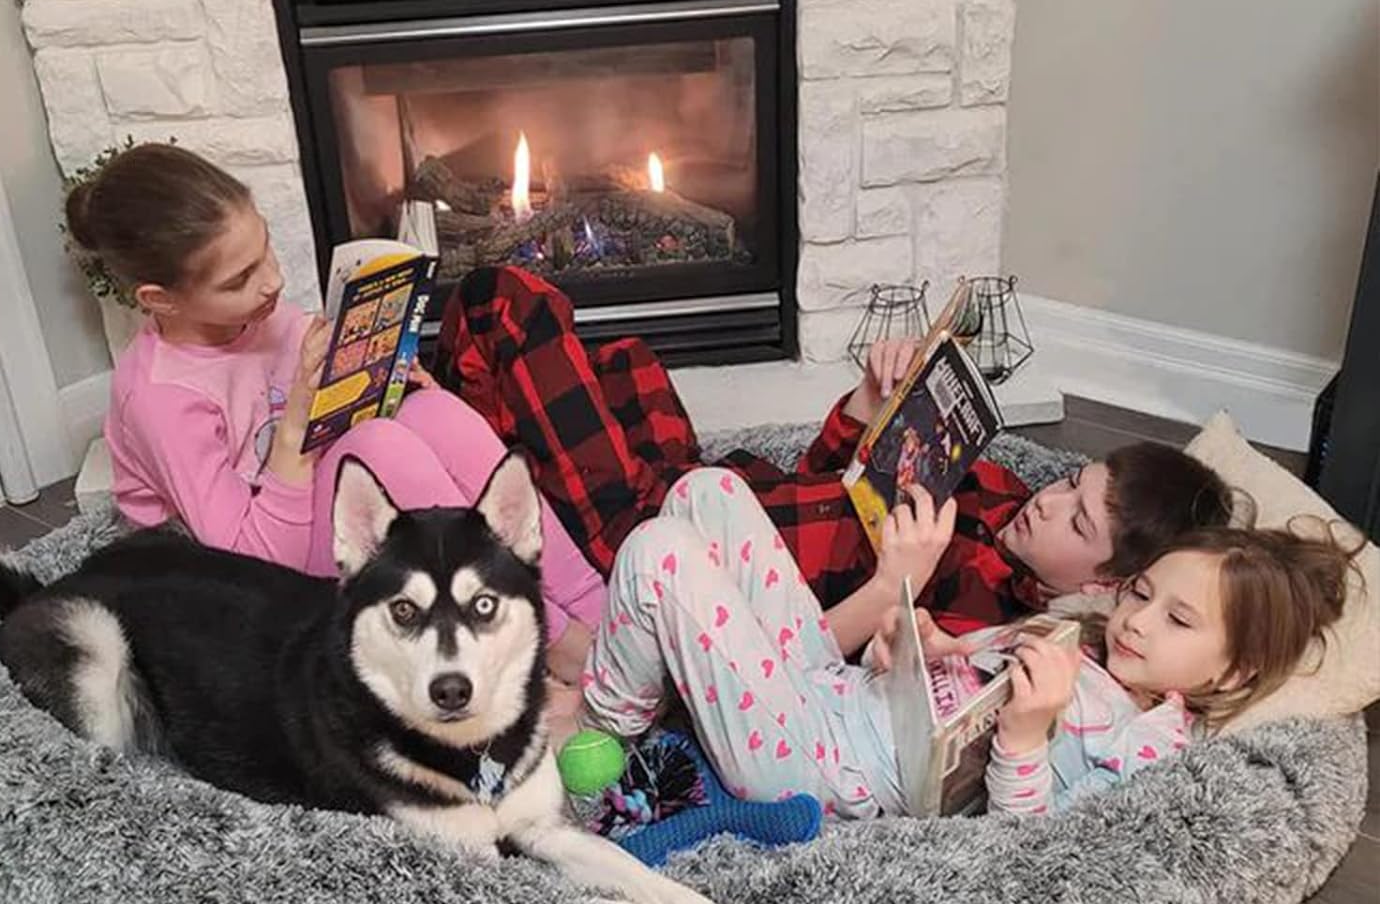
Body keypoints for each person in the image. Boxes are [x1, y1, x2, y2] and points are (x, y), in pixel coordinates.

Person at [431, 266, 1234, 644]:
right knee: (626, 362)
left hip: (652, 546)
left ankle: (452, 451)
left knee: (504, 301)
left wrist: (899, 585)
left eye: (1079, 520)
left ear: (1099, 584)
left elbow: (814, 662)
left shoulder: (983, 614)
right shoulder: (990, 484)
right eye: (1068, 479)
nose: (1047, 498)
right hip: (708, 482)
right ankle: (493, 454)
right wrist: (868, 404)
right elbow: (826, 475)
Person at [64, 144, 603, 678]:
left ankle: (593, 606)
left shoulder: (259, 318)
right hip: (250, 594)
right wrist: (297, 423)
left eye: (266, 251)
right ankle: (544, 635)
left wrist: (392, 379)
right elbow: (252, 562)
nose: (272, 281)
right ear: (160, 300)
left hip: (313, 521)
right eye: (239, 279)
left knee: (436, 412)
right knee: (374, 449)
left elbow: (346, 408)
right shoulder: (162, 398)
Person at [576, 466, 1353, 819]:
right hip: (836, 691)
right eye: (1143, 595)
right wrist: (916, 641)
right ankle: (648, 688)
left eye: (1178, 622)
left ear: (1235, 669)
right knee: (703, 494)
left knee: (658, 553)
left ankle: (594, 745)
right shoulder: (1074, 631)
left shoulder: (1144, 741)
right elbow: (952, 660)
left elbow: (1034, 851)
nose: (1139, 622)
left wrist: (1022, 737)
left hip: (825, 766)